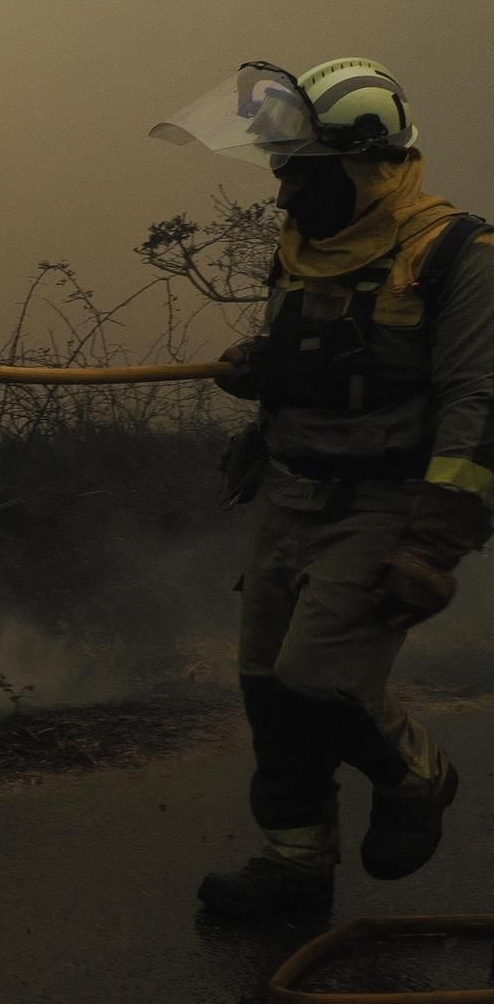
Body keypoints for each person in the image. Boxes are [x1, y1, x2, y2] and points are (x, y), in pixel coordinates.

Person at [152, 59, 494, 917]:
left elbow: (480, 407)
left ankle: (417, 775)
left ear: (364, 165)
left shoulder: (458, 255)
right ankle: (294, 867)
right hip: (289, 493)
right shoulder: (309, 243)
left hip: (384, 504)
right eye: (281, 171)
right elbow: (326, 355)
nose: (283, 194)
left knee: (322, 680)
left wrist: (432, 547)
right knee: (267, 688)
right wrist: (262, 374)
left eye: (301, 173)